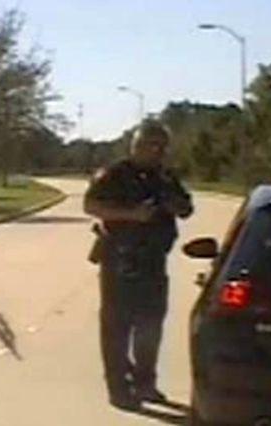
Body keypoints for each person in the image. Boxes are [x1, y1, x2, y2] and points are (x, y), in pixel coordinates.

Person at [83, 119, 193, 411]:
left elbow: (186, 208)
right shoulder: (115, 174)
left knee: (151, 325)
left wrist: (174, 204)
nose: (153, 151)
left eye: (159, 146)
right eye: (146, 144)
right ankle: (118, 388)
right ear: (134, 145)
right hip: (119, 260)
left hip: (154, 262)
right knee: (117, 327)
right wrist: (131, 215)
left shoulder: (166, 177)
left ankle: (146, 383)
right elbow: (91, 206)